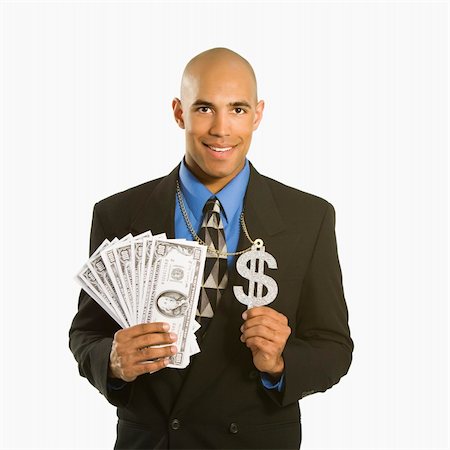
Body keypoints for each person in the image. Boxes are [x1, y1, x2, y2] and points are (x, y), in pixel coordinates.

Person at [69, 47, 353, 450]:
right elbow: (87, 333)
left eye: (237, 109)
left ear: (258, 114)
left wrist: (281, 363)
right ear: (178, 112)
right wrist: (112, 361)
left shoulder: (309, 218)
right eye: (204, 108)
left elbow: (334, 346)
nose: (222, 128)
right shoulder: (117, 213)